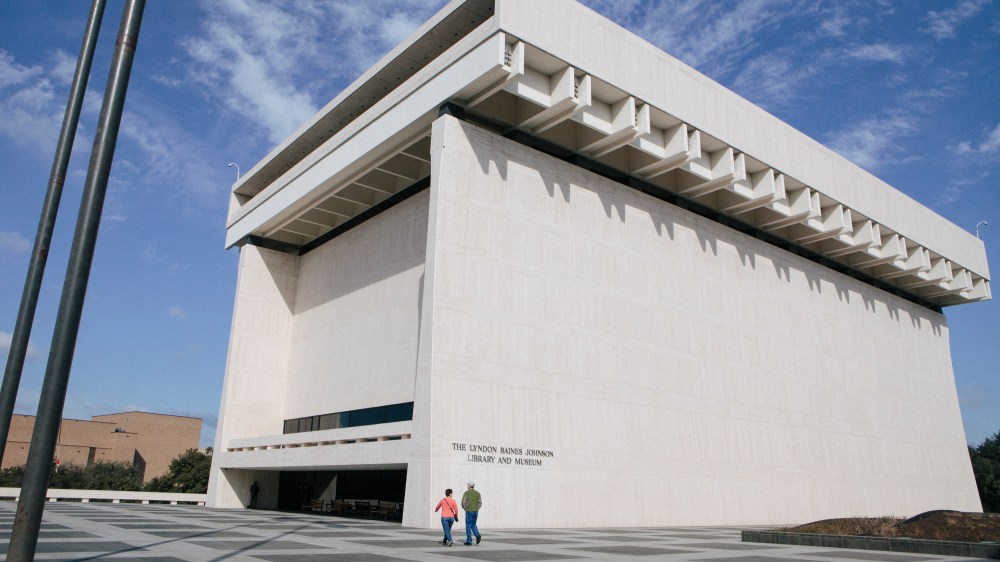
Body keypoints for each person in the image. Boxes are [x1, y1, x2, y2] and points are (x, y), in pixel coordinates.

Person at [461, 481, 482, 545]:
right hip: (475, 511)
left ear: (469, 486)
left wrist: (465, 509)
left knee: (468, 526)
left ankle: (469, 541)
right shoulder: (478, 493)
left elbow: (463, 502)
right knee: (473, 524)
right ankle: (477, 535)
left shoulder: (466, 493)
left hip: (469, 511)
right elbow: (480, 503)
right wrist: (477, 508)